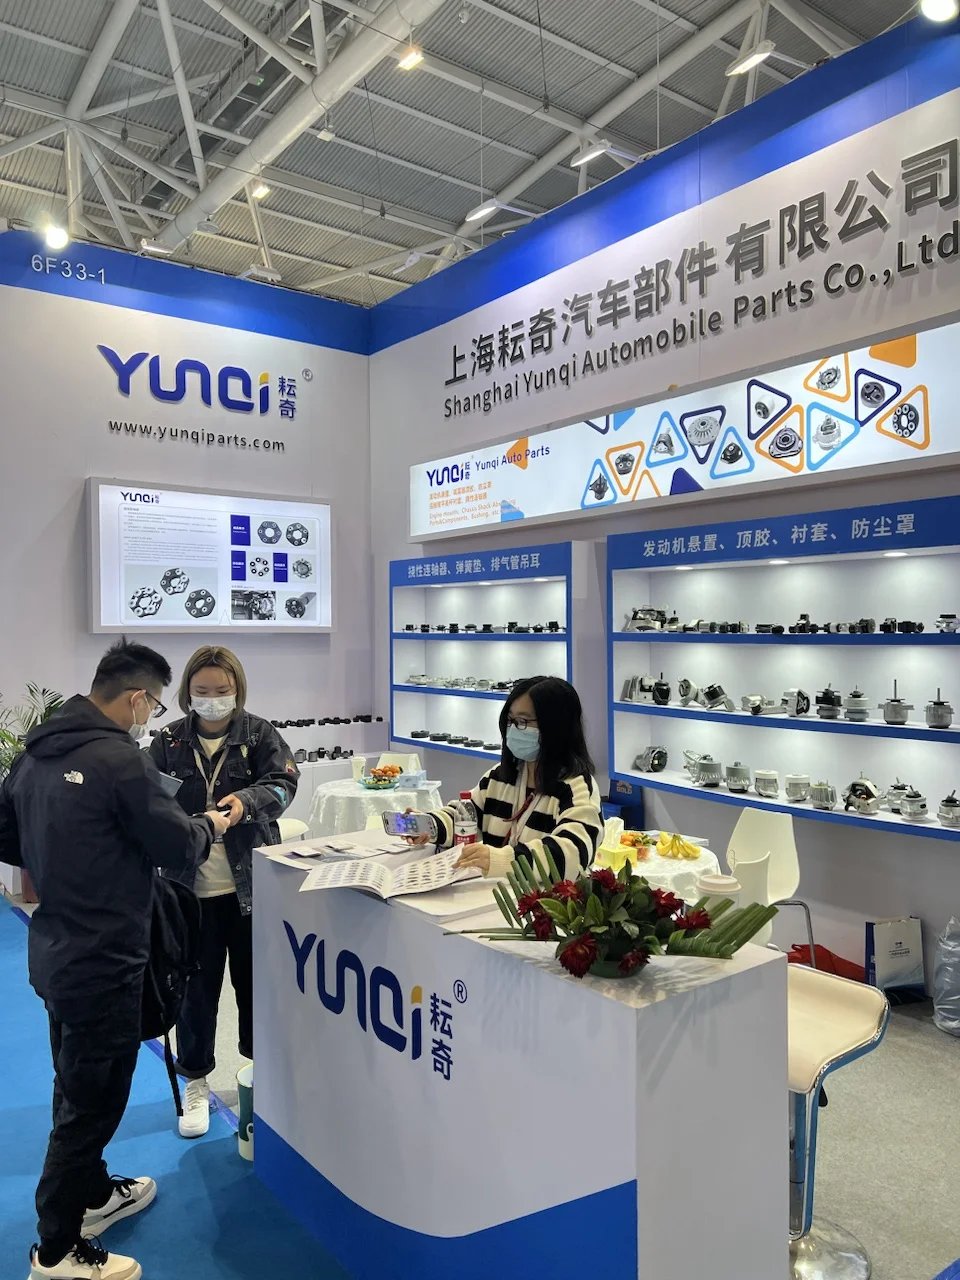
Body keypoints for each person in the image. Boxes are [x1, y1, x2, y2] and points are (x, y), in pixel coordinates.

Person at [0, 639, 229, 1280]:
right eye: (154, 705)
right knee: (93, 1101)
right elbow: (175, 842)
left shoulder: (37, 751)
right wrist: (210, 825)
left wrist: (71, 857)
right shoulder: (119, 759)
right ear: (136, 698)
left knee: (74, 1079)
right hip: (106, 957)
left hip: (56, 947)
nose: (151, 716)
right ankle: (56, 1249)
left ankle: (93, 1193)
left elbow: (7, 835)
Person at [149, 646, 298, 1140]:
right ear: (187, 692)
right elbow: (149, 800)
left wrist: (247, 802)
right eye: (202, 691)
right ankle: (195, 1082)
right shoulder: (168, 741)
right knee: (195, 993)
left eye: (222, 691)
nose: (212, 699)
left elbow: (284, 784)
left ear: (237, 691)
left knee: (257, 988)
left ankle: (261, 1077)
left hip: (251, 888)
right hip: (188, 893)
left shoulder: (259, 735)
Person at [410, 676, 603, 880]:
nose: (512, 730)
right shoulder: (500, 775)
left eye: (522, 722)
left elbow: (572, 855)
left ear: (555, 727)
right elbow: (465, 816)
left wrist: (502, 860)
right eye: (510, 721)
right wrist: (429, 825)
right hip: (496, 894)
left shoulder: (577, 788)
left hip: (546, 899)